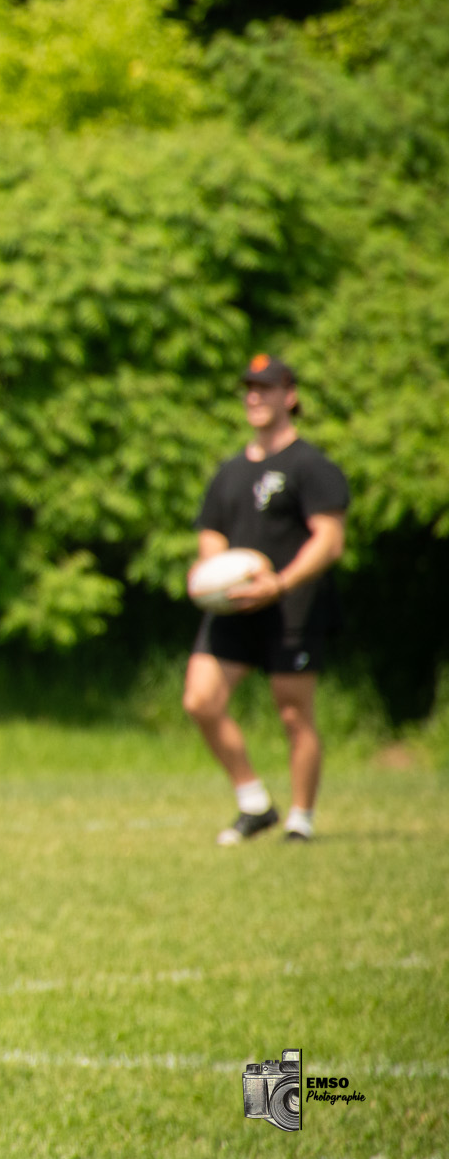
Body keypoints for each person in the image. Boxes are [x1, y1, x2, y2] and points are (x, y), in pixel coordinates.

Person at [182, 355, 349, 846]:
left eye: (267, 387)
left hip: (291, 604)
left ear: (290, 396)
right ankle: (254, 802)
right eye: (250, 389)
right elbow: (212, 535)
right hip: (235, 606)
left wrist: (279, 583)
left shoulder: (311, 467)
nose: (255, 396)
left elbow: (329, 540)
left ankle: (301, 818)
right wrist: (215, 578)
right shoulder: (229, 472)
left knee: (294, 714)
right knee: (200, 700)